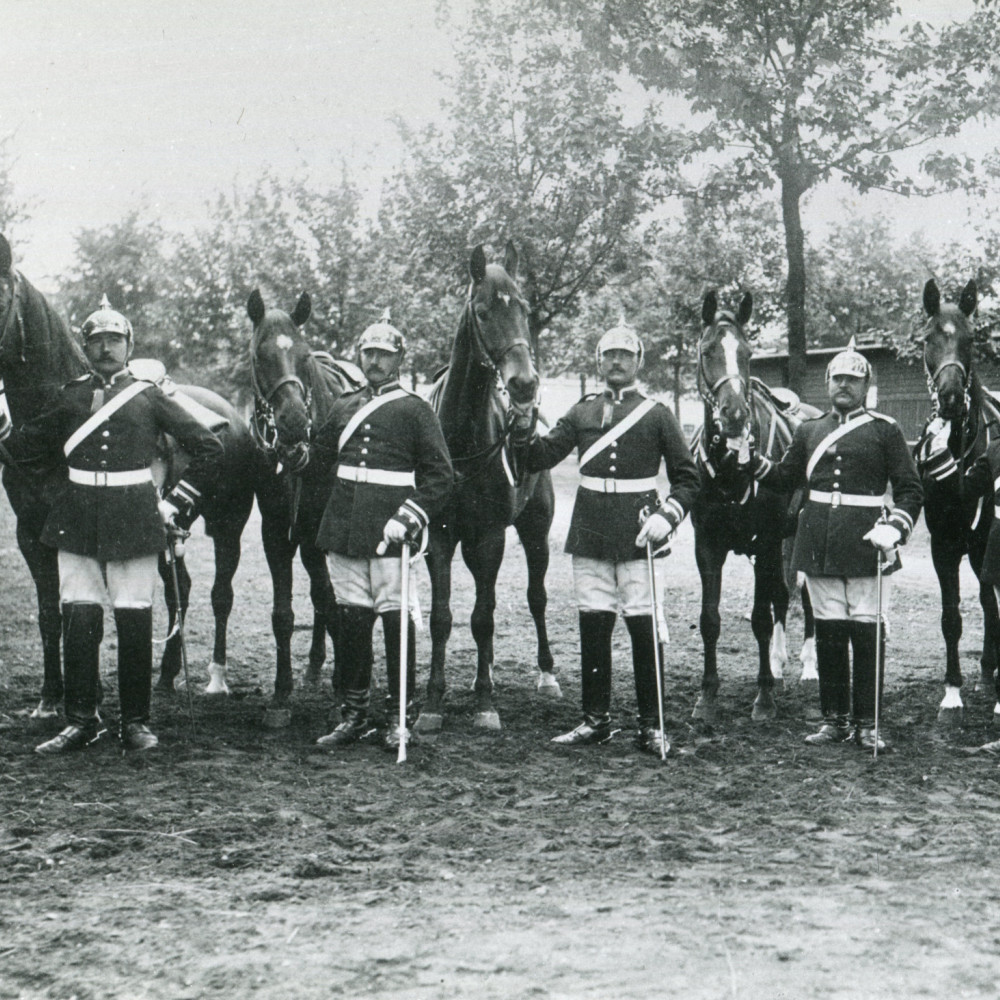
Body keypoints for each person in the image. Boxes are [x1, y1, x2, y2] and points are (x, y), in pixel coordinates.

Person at [0, 297, 224, 754]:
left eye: (114, 341)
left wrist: (176, 503)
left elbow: (208, 446)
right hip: (77, 517)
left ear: (129, 345)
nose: (106, 349)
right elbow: (26, 451)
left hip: (134, 518)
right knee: (78, 617)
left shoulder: (149, 395)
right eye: (97, 341)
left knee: (133, 617)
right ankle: (81, 720)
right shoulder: (70, 396)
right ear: (85, 348)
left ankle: (135, 723)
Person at [512, 320, 700, 754]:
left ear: (637, 362)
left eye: (625, 354)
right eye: (609, 354)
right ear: (598, 362)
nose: (616, 361)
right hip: (591, 529)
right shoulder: (581, 411)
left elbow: (687, 478)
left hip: (640, 531)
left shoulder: (657, 414)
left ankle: (652, 726)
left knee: (643, 625)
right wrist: (522, 421)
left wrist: (668, 516)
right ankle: (595, 720)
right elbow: (540, 455)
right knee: (593, 624)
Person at [753, 340, 923, 750]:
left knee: (867, 633)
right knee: (828, 633)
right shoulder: (809, 430)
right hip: (818, 543)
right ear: (827, 384)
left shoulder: (886, 430)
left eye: (853, 379)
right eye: (837, 378)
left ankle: (868, 722)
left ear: (866, 386)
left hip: (869, 541)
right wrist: (746, 460)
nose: (844, 385)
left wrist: (897, 527)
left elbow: (910, 489)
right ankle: (835, 720)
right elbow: (783, 477)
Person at [311, 319, 452, 750]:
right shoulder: (343, 406)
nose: (374, 360)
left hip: (392, 533)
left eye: (384, 354)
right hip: (343, 530)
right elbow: (317, 462)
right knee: (351, 624)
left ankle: (397, 716)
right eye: (368, 352)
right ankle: (353, 715)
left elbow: (441, 476)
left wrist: (410, 516)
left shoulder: (415, 409)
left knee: (395, 624)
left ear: (399, 359)